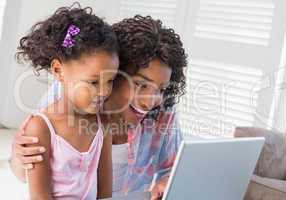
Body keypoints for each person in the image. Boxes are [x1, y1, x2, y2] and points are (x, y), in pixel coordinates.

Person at [11, 14, 187, 200]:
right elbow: (27, 173)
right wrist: (20, 158)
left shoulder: (162, 111)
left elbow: (176, 167)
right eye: (140, 85)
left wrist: (167, 182)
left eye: (161, 89)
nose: (150, 101)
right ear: (117, 73)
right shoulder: (69, 96)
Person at [13, 4, 119, 199]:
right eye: (93, 82)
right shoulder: (40, 127)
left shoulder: (103, 124)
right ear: (58, 70)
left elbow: (104, 193)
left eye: (110, 81)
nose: (104, 91)